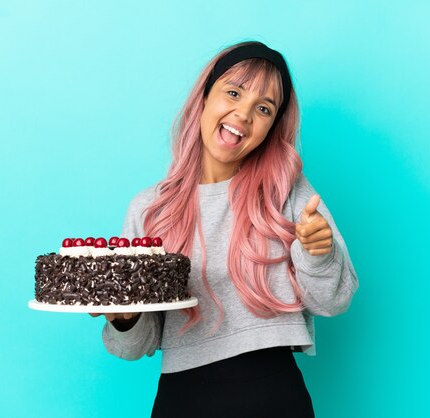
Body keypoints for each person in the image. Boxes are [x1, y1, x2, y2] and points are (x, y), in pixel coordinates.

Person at [90, 41, 359, 418]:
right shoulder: (149, 210)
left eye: (263, 108)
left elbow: (333, 302)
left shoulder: (286, 191)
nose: (244, 114)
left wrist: (318, 253)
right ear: (204, 96)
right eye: (233, 92)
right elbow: (135, 346)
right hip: (181, 399)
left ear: (271, 127)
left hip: (273, 395)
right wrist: (123, 317)